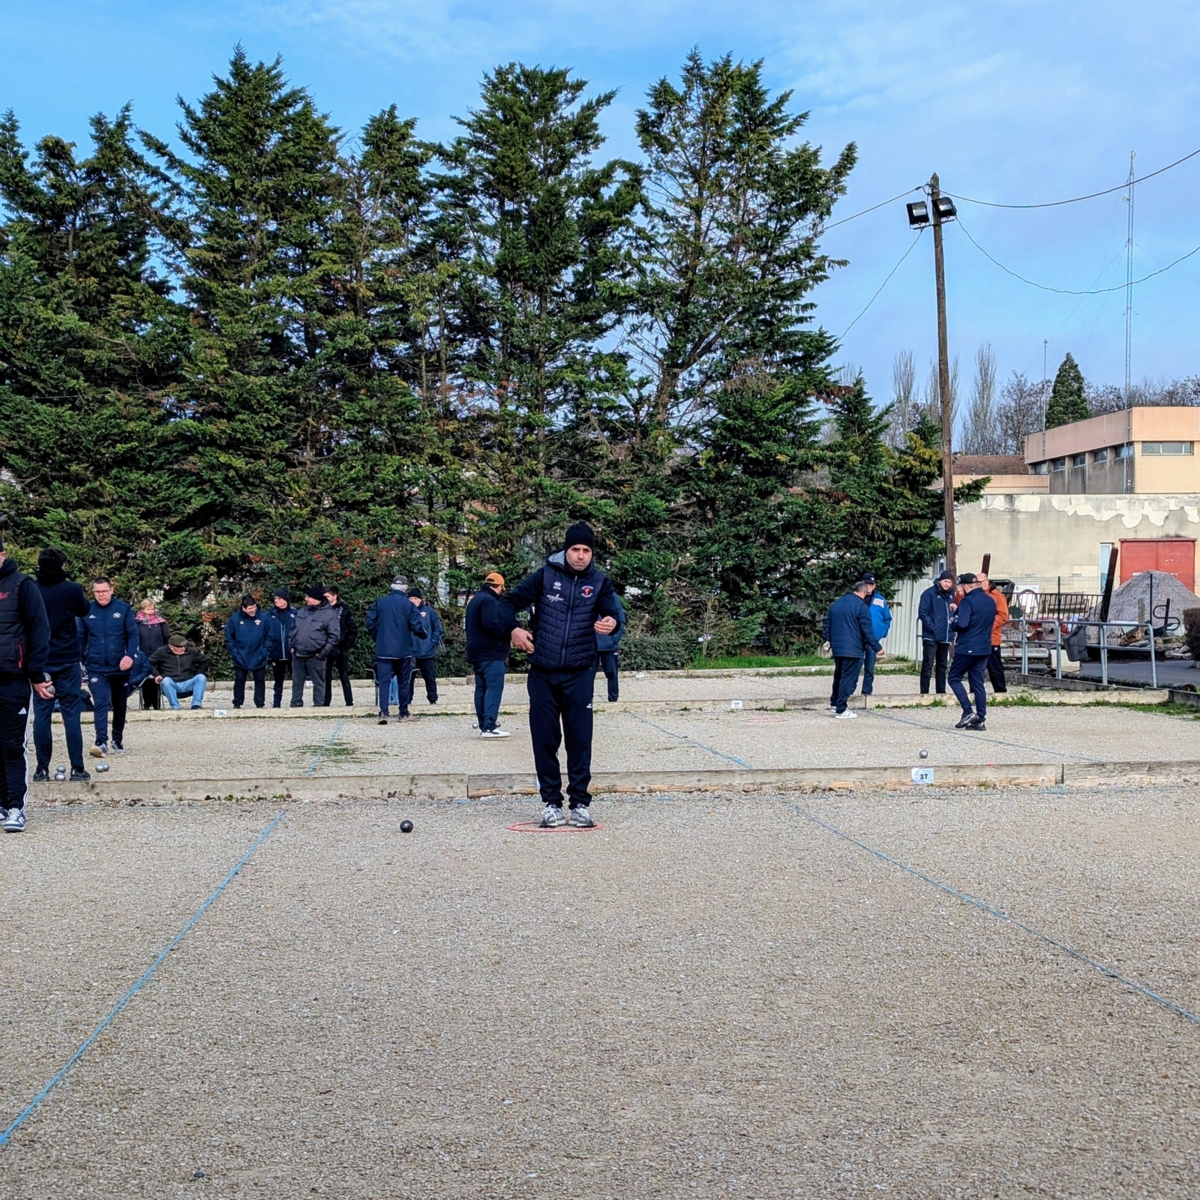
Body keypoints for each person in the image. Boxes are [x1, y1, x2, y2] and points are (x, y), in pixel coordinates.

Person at [499, 522, 621, 828]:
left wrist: (611, 623)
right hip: (543, 671)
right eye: (575, 549)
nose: (580, 555)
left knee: (580, 740)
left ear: (592, 553)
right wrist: (513, 629)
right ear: (566, 550)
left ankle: (579, 803)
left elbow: (613, 614)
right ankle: (551, 803)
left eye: (586, 550)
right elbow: (507, 603)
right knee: (545, 739)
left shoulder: (600, 582)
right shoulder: (545, 576)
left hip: (580, 672)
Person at [0, 537, 52, 832]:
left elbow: (38, 629)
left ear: (3, 554)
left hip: (13, 677)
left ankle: (16, 807)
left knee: (12, 744)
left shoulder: (22, 585)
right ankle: (1, 802)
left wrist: (36, 673)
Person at [32, 549, 90, 783]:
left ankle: (42, 769)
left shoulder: (32, 588)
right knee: (71, 713)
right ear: (62, 565)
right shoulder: (71, 589)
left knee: (42, 714)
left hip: (41, 658)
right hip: (67, 656)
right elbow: (84, 610)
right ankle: (77, 767)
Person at [82, 577, 139, 756]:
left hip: (120, 667)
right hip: (96, 667)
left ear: (111, 590)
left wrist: (130, 656)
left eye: (104, 591)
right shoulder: (87, 610)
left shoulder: (123, 609)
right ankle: (101, 742)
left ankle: (117, 740)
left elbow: (133, 635)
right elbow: (80, 638)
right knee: (101, 702)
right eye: (97, 592)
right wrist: (81, 661)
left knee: (119, 704)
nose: (101, 595)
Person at [365, 576, 428, 724]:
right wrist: (423, 635)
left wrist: (378, 637)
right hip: (403, 649)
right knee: (403, 682)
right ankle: (403, 712)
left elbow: (370, 622)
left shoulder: (380, 602)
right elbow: (416, 625)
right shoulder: (408, 605)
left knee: (384, 682)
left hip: (383, 649)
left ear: (391, 586)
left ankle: (384, 713)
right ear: (405, 588)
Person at [822, 581, 882, 719]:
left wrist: (828, 640)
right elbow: (867, 629)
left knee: (839, 676)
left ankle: (835, 703)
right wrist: (877, 647)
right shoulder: (861, 606)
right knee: (848, 679)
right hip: (853, 649)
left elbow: (827, 624)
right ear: (862, 592)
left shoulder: (836, 604)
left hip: (838, 648)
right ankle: (841, 708)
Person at [947, 573, 997, 731]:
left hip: (967, 646)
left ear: (965, 586)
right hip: (984, 646)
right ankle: (980, 719)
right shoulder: (990, 601)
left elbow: (962, 624)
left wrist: (953, 623)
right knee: (977, 683)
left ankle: (968, 711)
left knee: (954, 678)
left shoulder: (967, 601)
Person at [465, 572, 512, 738]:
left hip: (476, 652)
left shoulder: (474, 600)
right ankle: (490, 726)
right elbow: (491, 624)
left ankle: (484, 725)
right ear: (499, 586)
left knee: (481, 688)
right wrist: (509, 632)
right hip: (491, 652)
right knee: (493, 687)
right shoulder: (489, 601)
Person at [290, 587, 340, 708]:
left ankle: (318, 705)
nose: (306, 599)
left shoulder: (329, 614)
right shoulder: (302, 611)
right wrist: (291, 645)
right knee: (297, 682)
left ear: (317, 599)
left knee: (318, 682)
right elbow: (292, 629)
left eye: (309, 597)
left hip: (316, 655)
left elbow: (334, 636)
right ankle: (295, 704)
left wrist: (323, 652)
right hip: (298, 653)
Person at [224, 595, 270, 709]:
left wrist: (264, 651)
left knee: (260, 681)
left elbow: (270, 636)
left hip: (259, 654)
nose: (253, 610)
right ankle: (237, 703)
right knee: (239, 680)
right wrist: (235, 653)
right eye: (250, 608)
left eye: (254, 607)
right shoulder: (235, 619)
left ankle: (260, 704)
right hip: (241, 655)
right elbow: (229, 637)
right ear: (243, 608)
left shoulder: (264, 617)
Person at [917, 570, 956, 695]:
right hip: (931, 636)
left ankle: (941, 692)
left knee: (942, 665)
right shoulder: (929, 594)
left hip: (945, 636)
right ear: (940, 581)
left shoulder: (950, 596)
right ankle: (924, 693)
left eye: (949, 582)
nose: (947, 584)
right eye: (945, 581)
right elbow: (923, 613)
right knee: (928, 664)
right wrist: (932, 627)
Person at [150, 634, 211, 710]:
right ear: (171, 647)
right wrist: (156, 675)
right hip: (171, 683)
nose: (183, 648)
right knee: (165, 680)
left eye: (184, 646)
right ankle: (175, 706)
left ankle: (196, 704)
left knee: (201, 677)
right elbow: (148, 663)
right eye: (180, 647)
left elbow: (206, 661)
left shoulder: (191, 652)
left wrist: (198, 673)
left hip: (188, 682)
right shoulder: (161, 652)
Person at [319, 584, 357, 707]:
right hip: (327, 647)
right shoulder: (322, 610)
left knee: (344, 676)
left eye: (327, 596)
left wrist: (346, 646)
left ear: (335, 596)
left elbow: (352, 630)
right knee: (326, 676)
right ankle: (326, 703)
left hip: (341, 647)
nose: (325, 599)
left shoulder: (344, 610)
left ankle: (349, 702)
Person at [407, 587, 443, 706]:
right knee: (408, 679)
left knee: (430, 678)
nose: (413, 601)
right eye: (410, 598)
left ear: (421, 599)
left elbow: (437, 629)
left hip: (426, 652)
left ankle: (433, 700)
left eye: (415, 598)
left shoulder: (429, 612)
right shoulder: (405, 611)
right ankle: (407, 701)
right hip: (410, 652)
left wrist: (432, 644)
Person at [977, 572, 1010, 694]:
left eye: (979, 582)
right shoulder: (975, 594)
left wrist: (987, 625)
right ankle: (976, 692)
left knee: (995, 667)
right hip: (977, 638)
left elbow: (1003, 615)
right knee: (976, 668)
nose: (977, 585)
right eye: (976, 582)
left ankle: (1001, 692)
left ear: (987, 582)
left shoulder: (997, 596)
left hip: (992, 638)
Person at [135, 599, 170, 709]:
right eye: (148, 609)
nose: (150, 611)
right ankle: (146, 703)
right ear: (142, 610)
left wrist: (165, 650)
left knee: (157, 677)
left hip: (158, 653)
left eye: (152, 609)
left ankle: (156, 703)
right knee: (145, 678)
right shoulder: (137, 622)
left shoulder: (160, 622)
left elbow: (166, 637)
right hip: (143, 654)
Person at [861, 574, 892, 697]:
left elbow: (887, 618)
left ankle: (866, 692)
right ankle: (848, 692)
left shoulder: (880, 599)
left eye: (871, 584)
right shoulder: (857, 598)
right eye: (866, 584)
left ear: (874, 585)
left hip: (872, 639)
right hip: (857, 638)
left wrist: (882, 632)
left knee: (869, 668)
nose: (868, 586)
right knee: (854, 667)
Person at [266, 588, 296, 708]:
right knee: (278, 682)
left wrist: (295, 646)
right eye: (275, 598)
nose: (276, 600)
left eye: (278, 598)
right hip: (276, 653)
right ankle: (276, 704)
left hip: (292, 653)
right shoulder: (270, 614)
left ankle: (296, 703)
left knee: (296, 681)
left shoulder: (295, 613)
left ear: (285, 600)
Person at [595, 591, 626, 703]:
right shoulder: (586, 595)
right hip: (590, 646)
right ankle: (587, 702)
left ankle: (613, 701)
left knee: (612, 674)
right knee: (586, 677)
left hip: (610, 646)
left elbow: (621, 620)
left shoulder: (613, 597)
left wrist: (613, 639)